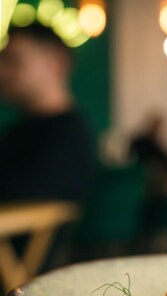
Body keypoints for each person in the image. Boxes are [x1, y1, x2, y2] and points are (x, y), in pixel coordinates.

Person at [0, 24, 95, 202]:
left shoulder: (67, 137)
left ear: (56, 64)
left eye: (14, 61)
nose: (2, 72)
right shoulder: (17, 131)